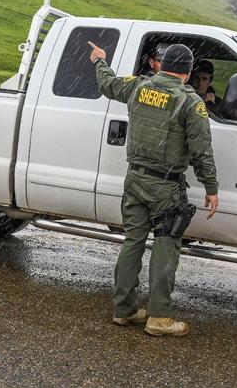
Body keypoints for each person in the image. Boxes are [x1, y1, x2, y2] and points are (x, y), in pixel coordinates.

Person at [88, 41, 220, 337]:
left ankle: (124, 310)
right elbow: (202, 151)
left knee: (132, 242)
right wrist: (211, 186)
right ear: (186, 73)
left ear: (162, 65)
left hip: (134, 180)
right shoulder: (190, 101)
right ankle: (159, 317)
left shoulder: (138, 86)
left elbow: (108, 84)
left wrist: (100, 60)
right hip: (166, 186)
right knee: (165, 246)